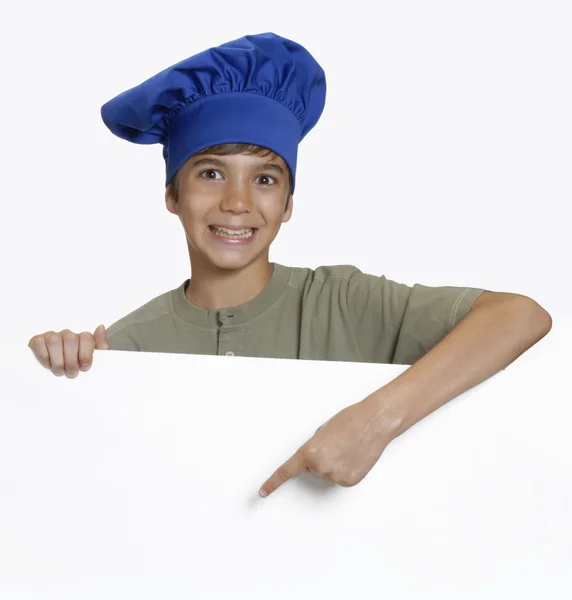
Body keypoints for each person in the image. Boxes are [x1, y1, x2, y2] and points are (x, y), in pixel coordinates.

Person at [28, 33, 552, 498]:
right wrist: (56, 369)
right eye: (211, 173)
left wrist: (373, 423)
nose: (237, 202)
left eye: (265, 179)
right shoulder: (130, 344)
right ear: (172, 194)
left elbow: (519, 315)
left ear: (289, 203)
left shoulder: (345, 302)